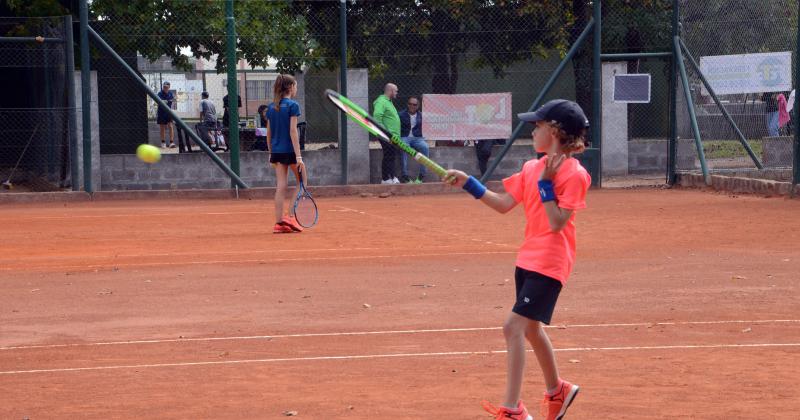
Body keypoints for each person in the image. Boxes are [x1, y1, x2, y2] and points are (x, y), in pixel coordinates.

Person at [445, 99, 591, 420]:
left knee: (512, 327)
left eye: (537, 126)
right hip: (527, 259)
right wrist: (468, 182)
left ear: (553, 131)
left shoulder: (575, 174)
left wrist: (545, 185)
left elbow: (557, 222)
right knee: (530, 329)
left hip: (551, 263)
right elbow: (502, 203)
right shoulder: (531, 168)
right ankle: (558, 391)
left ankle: (512, 410)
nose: (533, 131)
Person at [266, 74, 305, 234]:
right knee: (302, 183)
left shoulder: (271, 107)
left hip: (276, 151)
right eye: (295, 85)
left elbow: (268, 132)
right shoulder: (292, 106)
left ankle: (279, 223)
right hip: (290, 151)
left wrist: (270, 152)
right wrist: (298, 156)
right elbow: (292, 131)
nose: (296, 88)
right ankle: (290, 216)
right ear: (290, 87)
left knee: (281, 186)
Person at [373, 83, 401, 184]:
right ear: (391, 91)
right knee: (389, 155)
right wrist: (385, 133)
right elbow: (376, 116)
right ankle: (386, 179)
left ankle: (392, 177)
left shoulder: (388, 102)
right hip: (386, 135)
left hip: (392, 136)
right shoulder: (381, 101)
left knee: (391, 155)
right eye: (396, 90)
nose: (397, 92)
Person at [398, 96, 430, 183]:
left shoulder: (421, 115)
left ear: (418, 106)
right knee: (403, 147)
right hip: (404, 137)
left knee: (425, 147)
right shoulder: (400, 114)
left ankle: (422, 175)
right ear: (407, 104)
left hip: (417, 138)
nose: (412, 106)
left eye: (414, 104)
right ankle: (404, 175)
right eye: (410, 104)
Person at [156, 82, 176, 149]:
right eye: (164, 87)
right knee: (162, 127)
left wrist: (172, 100)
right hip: (161, 112)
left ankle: (171, 142)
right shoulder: (160, 93)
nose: (165, 88)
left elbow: (173, 100)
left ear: (169, 87)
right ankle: (163, 142)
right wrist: (165, 101)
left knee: (170, 126)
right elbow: (158, 101)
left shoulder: (170, 93)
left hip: (168, 112)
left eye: (166, 87)